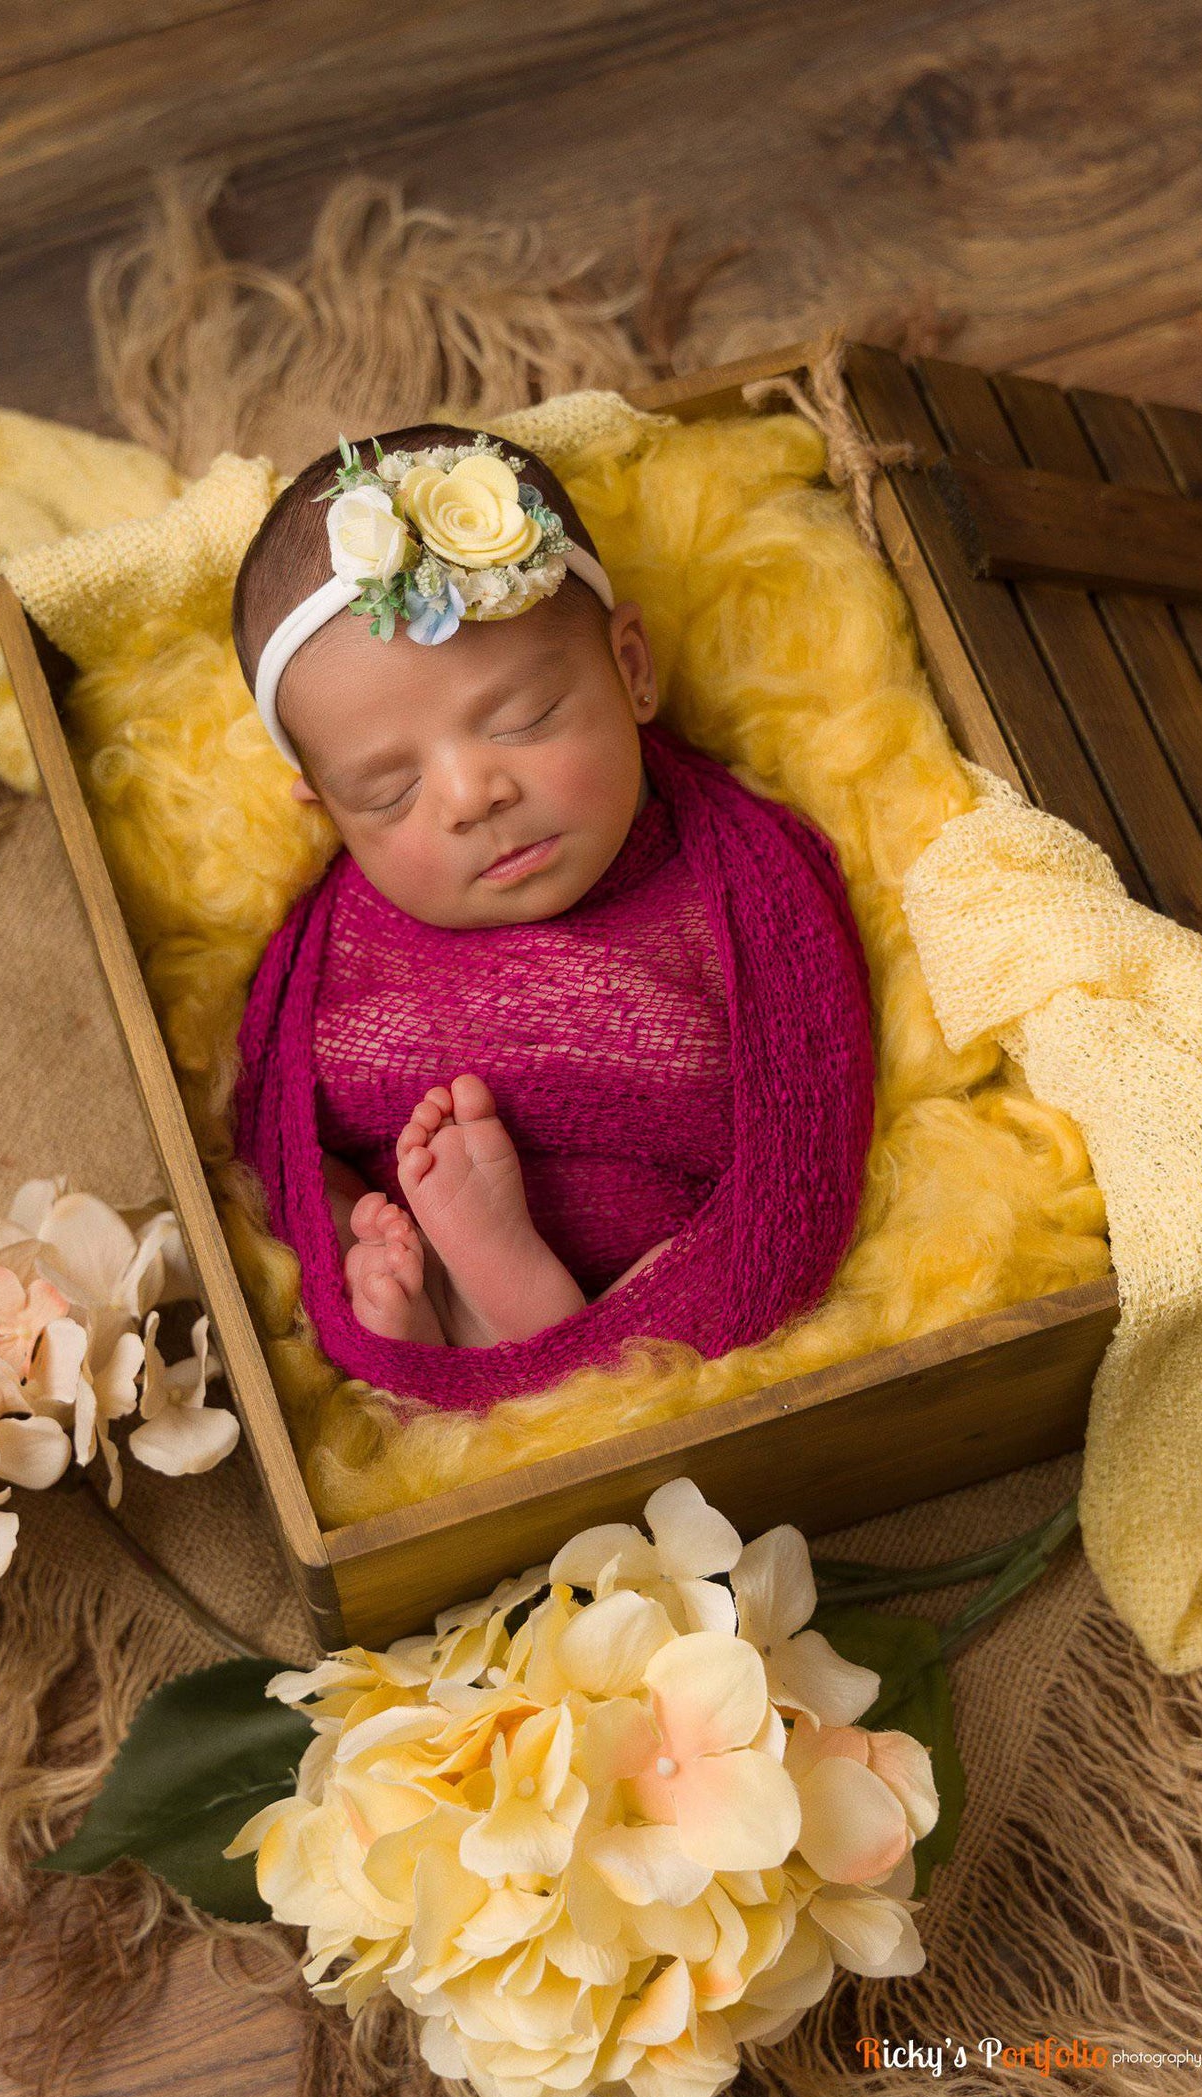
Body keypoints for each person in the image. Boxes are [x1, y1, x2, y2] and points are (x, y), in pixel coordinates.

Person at [231, 423, 875, 1403]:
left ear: (631, 671)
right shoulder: (335, 939)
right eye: (386, 793)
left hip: (665, 1265)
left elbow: (807, 1097)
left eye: (523, 719)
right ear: (325, 814)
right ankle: (448, 1317)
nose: (469, 795)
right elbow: (272, 1118)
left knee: (711, 1284)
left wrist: (635, 1320)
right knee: (334, 1211)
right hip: (425, 1231)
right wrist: (334, 1214)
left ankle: (532, 1322)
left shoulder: (736, 875)